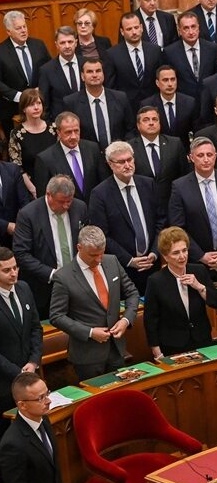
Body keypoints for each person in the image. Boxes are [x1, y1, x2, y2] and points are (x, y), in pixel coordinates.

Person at [49, 225, 139, 381]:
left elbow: (132, 293)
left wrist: (126, 320)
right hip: (87, 356)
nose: (98, 260)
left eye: (101, 254)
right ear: (79, 248)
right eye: (93, 255)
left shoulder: (112, 261)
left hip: (116, 349)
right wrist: (90, 332)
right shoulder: (64, 277)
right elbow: (56, 316)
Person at [88, 140, 163, 293]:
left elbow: (160, 220)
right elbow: (102, 235)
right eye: (121, 162)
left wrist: (155, 252)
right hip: (122, 269)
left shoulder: (148, 184)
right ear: (110, 164)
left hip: (152, 264)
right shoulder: (100, 194)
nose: (127, 165)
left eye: (130, 160)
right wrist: (129, 261)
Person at [168, 136, 217, 269]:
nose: (205, 159)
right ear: (191, 158)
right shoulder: (179, 186)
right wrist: (200, 256)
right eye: (200, 155)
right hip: (196, 261)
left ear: (215, 156)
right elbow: (178, 227)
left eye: (209, 155)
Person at [144, 226, 217, 358]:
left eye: (184, 250)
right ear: (165, 256)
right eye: (176, 253)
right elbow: (150, 319)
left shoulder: (199, 271)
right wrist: (156, 350)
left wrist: (199, 286)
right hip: (173, 345)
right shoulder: (156, 281)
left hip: (202, 339)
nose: (182, 256)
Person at [13, 174, 86, 315]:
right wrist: (53, 274)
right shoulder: (28, 214)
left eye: (69, 201)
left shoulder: (79, 207)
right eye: (61, 201)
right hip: (44, 288)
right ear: (49, 195)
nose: (66, 206)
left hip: (78, 285)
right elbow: (21, 254)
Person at [0, 247, 42, 430]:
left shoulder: (24, 288)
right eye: (6, 270)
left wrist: (33, 362)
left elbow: (35, 328)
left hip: (31, 376)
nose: (13, 273)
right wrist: (18, 372)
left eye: (15, 268)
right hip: (4, 384)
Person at [31, 111, 108, 202]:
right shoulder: (45, 159)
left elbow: (103, 182)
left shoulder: (93, 149)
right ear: (58, 133)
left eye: (76, 131)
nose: (73, 136)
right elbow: (43, 197)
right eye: (68, 132)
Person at [62, 58, 135, 152]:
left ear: (103, 74)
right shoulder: (71, 102)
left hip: (118, 154)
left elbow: (131, 128)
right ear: (82, 76)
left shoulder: (120, 98)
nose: (95, 75)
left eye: (98, 71)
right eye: (89, 72)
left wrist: (122, 148)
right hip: (88, 156)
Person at [0, 12, 51, 138]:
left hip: (40, 105)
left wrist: (41, 89)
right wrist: (20, 96)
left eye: (24, 27)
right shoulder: (1, 51)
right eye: (18, 28)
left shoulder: (38, 45)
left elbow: (49, 69)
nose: (23, 31)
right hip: (13, 108)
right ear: (9, 31)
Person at [128, 105, 188, 206]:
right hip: (143, 204)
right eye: (146, 120)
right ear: (138, 125)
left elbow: (184, 174)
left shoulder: (175, 144)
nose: (151, 123)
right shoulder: (129, 147)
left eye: (155, 119)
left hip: (172, 203)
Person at [106, 11, 162, 111]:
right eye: (129, 29)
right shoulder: (112, 54)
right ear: (122, 32)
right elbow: (111, 86)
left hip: (153, 106)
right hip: (126, 107)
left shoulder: (155, 50)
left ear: (141, 28)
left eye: (136, 27)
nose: (134, 32)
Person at [162, 11, 217, 102]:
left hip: (209, 101)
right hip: (184, 103)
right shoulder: (170, 52)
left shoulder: (212, 49)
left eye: (193, 27)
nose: (191, 32)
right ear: (179, 31)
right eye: (186, 28)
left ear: (198, 28)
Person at [8, 88, 52, 198]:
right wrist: (33, 190)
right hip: (31, 189)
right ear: (23, 108)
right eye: (31, 104)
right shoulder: (17, 134)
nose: (36, 107)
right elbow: (17, 166)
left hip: (56, 185)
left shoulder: (54, 128)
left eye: (39, 103)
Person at [37, 26, 80, 121]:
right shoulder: (46, 70)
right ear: (56, 45)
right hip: (61, 125)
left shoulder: (86, 64)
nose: (67, 46)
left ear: (76, 43)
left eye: (70, 42)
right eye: (63, 43)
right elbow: (45, 104)